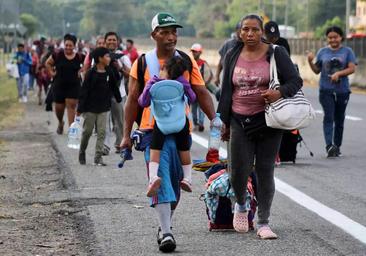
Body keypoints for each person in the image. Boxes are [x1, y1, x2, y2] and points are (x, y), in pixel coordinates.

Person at [120, 12, 215, 252]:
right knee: (160, 177)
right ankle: (167, 231)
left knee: (175, 180)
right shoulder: (142, 62)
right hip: (152, 132)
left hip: (180, 128)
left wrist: (216, 121)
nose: (171, 36)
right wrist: (125, 135)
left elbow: (200, 92)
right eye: (165, 32)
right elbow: (133, 100)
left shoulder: (185, 61)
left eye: (174, 31)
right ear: (154, 35)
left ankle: (166, 222)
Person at [217, 14, 302, 239]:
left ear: (262, 31)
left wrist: (279, 93)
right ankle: (242, 205)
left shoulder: (276, 53)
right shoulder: (232, 53)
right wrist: (222, 123)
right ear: (240, 32)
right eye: (246, 30)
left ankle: (263, 221)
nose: (250, 34)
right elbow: (226, 91)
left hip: (268, 121)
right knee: (237, 171)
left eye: (255, 30)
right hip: (238, 120)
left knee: (265, 171)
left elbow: (296, 81)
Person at [139, 56, 196, 197]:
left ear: (164, 68)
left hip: (162, 125)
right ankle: (188, 178)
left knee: (155, 148)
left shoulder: (155, 83)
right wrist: (185, 85)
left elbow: (143, 102)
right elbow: (192, 98)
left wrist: (148, 86)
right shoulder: (181, 83)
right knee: (184, 150)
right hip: (180, 123)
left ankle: (153, 177)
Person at [307, 26, 357, 157]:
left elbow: (352, 68)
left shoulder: (347, 51)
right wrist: (309, 61)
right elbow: (317, 70)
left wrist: (339, 74)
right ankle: (329, 146)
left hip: (342, 91)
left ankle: (337, 145)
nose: (333, 40)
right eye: (330, 37)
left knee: (339, 119)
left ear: (341, 37)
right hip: (326, 91)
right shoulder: (322, 51)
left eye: (335, 37)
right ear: (327, 38)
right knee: (328, 117)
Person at [77, 47, 122, 166]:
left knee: (102, 132)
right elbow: (84, 91)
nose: (109, 58)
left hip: (104, 108)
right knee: (87, 132)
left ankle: (98, 158)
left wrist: (118, 98)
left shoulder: (109, 71)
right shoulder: (91, 73)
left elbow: (114, 86)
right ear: (99, 59)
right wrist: (80, 108)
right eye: (107, 56)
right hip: (90, 108)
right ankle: (82, 151)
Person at [45, 34, 85, 134]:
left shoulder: (79, 56)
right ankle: (60, 122)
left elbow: (88, 64)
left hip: (73, 86)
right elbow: (48, 63)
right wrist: (51, 72)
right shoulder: (57, 55)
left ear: (74, 46)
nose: (68, 47)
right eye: (66, 45)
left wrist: (81, 71)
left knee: (71, 106)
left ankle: (71, 130)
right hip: (59, 85)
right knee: (59, 108)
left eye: (70, 45)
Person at [103, 32, 131, 155]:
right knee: (104, 121)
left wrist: (119, 67)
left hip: (119, 93)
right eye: (109, 40)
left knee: (119, 121)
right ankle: (105, 146)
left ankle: (120, 144)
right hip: (103, 93)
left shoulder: (123, 57)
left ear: (117, 42)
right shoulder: (100, 55)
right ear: (105, 41)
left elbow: (130, 74)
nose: (112, 42)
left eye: (114, 40)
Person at [190, 43, 213, 132]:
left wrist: (204, 85)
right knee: (194, 109)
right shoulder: (190, 61)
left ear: (200, 53)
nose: (194, 53)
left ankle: (201, 124)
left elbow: (210, 75)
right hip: (192, 90)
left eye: (196, 52)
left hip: (201, 90)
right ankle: (195, 123)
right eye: (193, 51)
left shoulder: (203, 64)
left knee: (202, 108)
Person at [214, 22, 241, 87]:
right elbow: (221, 62)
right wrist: (217, 77)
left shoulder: (249, 45)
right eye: (242, 29)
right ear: (236, 30)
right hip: (227, 81)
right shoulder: (228, 44)